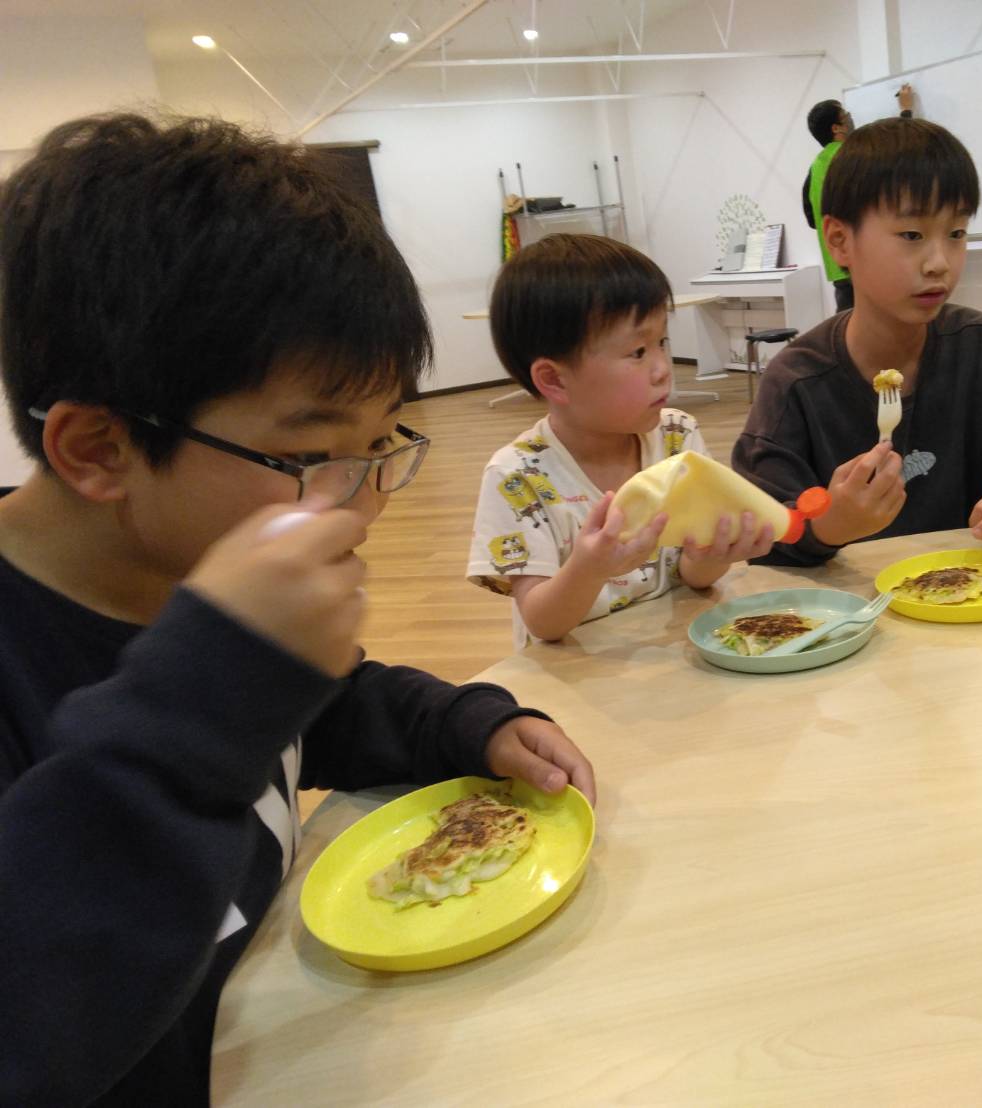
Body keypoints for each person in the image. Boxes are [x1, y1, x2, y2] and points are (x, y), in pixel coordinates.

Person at [0, 113, 595, 1104]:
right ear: (100, 448)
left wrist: (466, 723)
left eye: (381, 443)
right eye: (311, 455)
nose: (363, 505)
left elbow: (323, 709)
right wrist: (207, 694)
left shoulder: (184, 573)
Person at [734, 118, 982, 567]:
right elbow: (758, 528)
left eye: (956, 233)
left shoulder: (981, 348)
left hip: (956, 591)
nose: (939, 263)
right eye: (912, 235)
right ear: (839, 240)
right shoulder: (797, 380)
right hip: (844, 604)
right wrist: (829, 527)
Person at [468, 234, 773, 644]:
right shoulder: (516, 476)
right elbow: (543, 623)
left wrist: (711, 555)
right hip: (576, 671)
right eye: (638, 352)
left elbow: (693, 577)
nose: (663, 368)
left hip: (672, 655)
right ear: (554, 379)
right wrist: (589, 569)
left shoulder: (677, 437)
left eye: (662, 342)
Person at [801, 84, 915, 312]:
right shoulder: (852, 156)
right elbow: (900, 154)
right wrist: (905, 111)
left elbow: (812, 219)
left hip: (839, 269)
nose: (851, 118)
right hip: (867, 265)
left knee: (847, 328)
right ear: (837, 128)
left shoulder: (815, 169)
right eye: (846, 115)